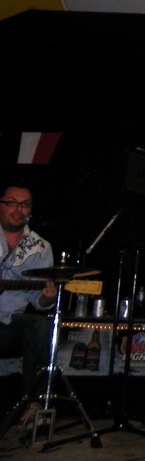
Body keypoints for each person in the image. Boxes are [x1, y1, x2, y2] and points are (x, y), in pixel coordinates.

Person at [0, 184, 56, 430]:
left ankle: (32, 404)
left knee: (39, 325)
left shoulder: (40, 247)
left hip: (7, 326)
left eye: (24, 204)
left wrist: (47, 298)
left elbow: (38, 301)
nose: (18, 209)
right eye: (11, 202)